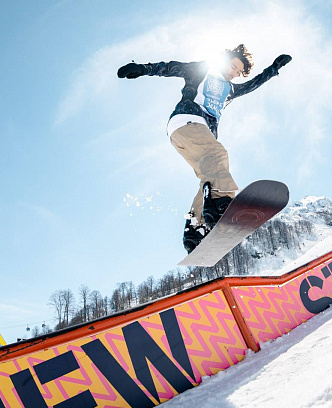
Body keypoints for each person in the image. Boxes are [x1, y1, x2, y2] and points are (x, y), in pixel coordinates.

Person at [118, 45, 292, 253]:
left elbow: (254, 84)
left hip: (187, 136)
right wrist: (142, 68)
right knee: (218, 155)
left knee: (209, 175)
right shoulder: (203, 70)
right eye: (232, 67)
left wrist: (273, 69)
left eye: (237, 72)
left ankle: (195, 229)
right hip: (187, 121)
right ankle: (220, 205)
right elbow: (171, 67)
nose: (233, 73)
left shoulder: (231, 89)